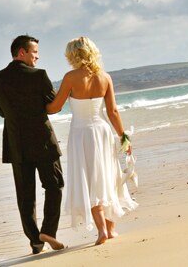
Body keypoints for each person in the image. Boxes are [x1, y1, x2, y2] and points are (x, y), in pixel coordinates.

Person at [47, 36, 138, 245]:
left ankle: (101, 231)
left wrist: (36, 107)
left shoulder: (70, 77)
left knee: (88, 179)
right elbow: (113, 111)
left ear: (73, 55)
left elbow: (54, 107)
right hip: (103, 131)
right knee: (106, 176)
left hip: (81, 134)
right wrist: (124, 136)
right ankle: (111, 229)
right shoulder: (105, 77)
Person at [0, 35, 65, 254]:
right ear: (21, 53)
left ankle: (35, 240)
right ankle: (48, 230)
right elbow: (53, 106)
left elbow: (1, 112)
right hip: (42, 141)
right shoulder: (39, 75)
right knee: (54, 185)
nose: (37, 57)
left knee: (25, 195)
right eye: (34, 52)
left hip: (16, 143)